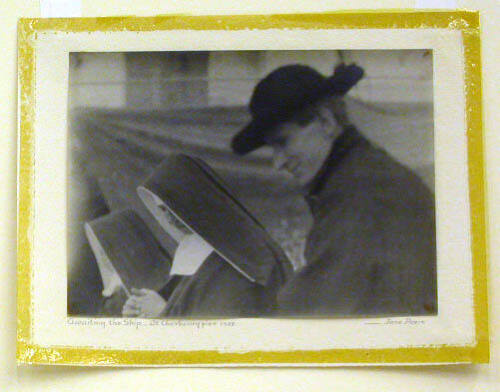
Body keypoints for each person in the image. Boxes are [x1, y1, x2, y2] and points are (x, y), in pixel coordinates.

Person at [231, 63, 437, 316]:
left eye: (282, 142)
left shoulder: (360, 192)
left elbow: (313, 314)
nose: (278, 162)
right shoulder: (361, 173)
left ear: (326, 122)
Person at [122, 154, 293, 318]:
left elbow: (221, 334)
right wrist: (142, 306)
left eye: (172, 206)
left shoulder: (245, 259)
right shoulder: (194, 249)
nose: (168, 218)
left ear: (193, 200)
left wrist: (162, 312)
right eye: (162, 210)